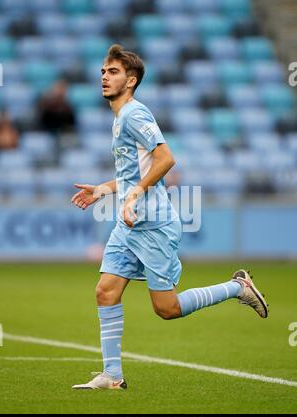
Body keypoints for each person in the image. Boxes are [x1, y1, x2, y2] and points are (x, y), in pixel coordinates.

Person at [71, 45, 268, 391]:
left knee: (167, 309)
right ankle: (112, 376)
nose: (104, 76)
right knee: (105, 291)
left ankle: (238, 287)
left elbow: (166, 159)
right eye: (103, 70)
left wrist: (133, 195)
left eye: (113, 71)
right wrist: (103, 189)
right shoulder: (120, 119)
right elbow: (136, 174)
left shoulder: (134, 115)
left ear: (131, 81)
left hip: (153, 225)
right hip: (129, 224)